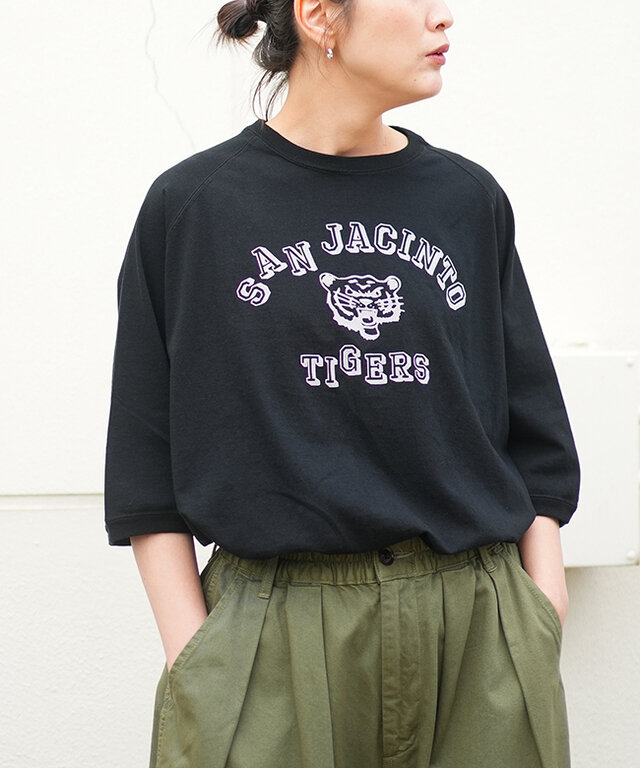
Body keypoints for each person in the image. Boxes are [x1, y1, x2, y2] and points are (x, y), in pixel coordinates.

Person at [104, 0, 580, 766]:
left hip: (476, 628)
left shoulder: (467, 200)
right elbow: (145, 458)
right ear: (321, 16)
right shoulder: (195, 208)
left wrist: (539, 603)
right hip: (272, 634)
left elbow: (533, 425)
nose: (443, 18)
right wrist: (195, 653)